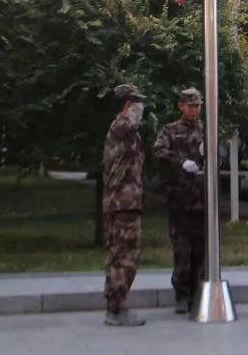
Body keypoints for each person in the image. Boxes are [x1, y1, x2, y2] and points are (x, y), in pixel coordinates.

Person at [152, 87, 207, 314]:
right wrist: (181, 161)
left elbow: (217, 161)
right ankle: (181, 295)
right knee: (182, 251)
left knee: (200, 252)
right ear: (181, 106)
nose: (194, 110)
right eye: (190, 106)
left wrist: (211, 153)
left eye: (197, 106)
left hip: (202, 202)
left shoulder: (206, 130)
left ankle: (197, 292)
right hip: (179, 201)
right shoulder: (171, 130)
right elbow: (158, 151)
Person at [101, 83, 147, 327]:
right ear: (127, 105)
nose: (141, 107)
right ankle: (117, 308)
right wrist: (133, 114)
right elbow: (129, 124)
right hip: (121, 203)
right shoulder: (120, 125)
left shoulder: (129, 132)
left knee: (127, 257)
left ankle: (117, 305)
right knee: (123, 258)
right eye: (136, 103)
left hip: (128, 203)